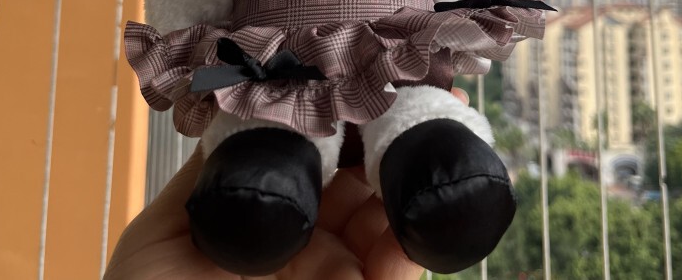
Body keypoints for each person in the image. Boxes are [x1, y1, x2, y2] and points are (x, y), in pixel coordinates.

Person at [104, 87, 471, 280]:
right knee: (265, 148)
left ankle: (438, 158)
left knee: (420, 129)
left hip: (390, 71)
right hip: (285, 83)